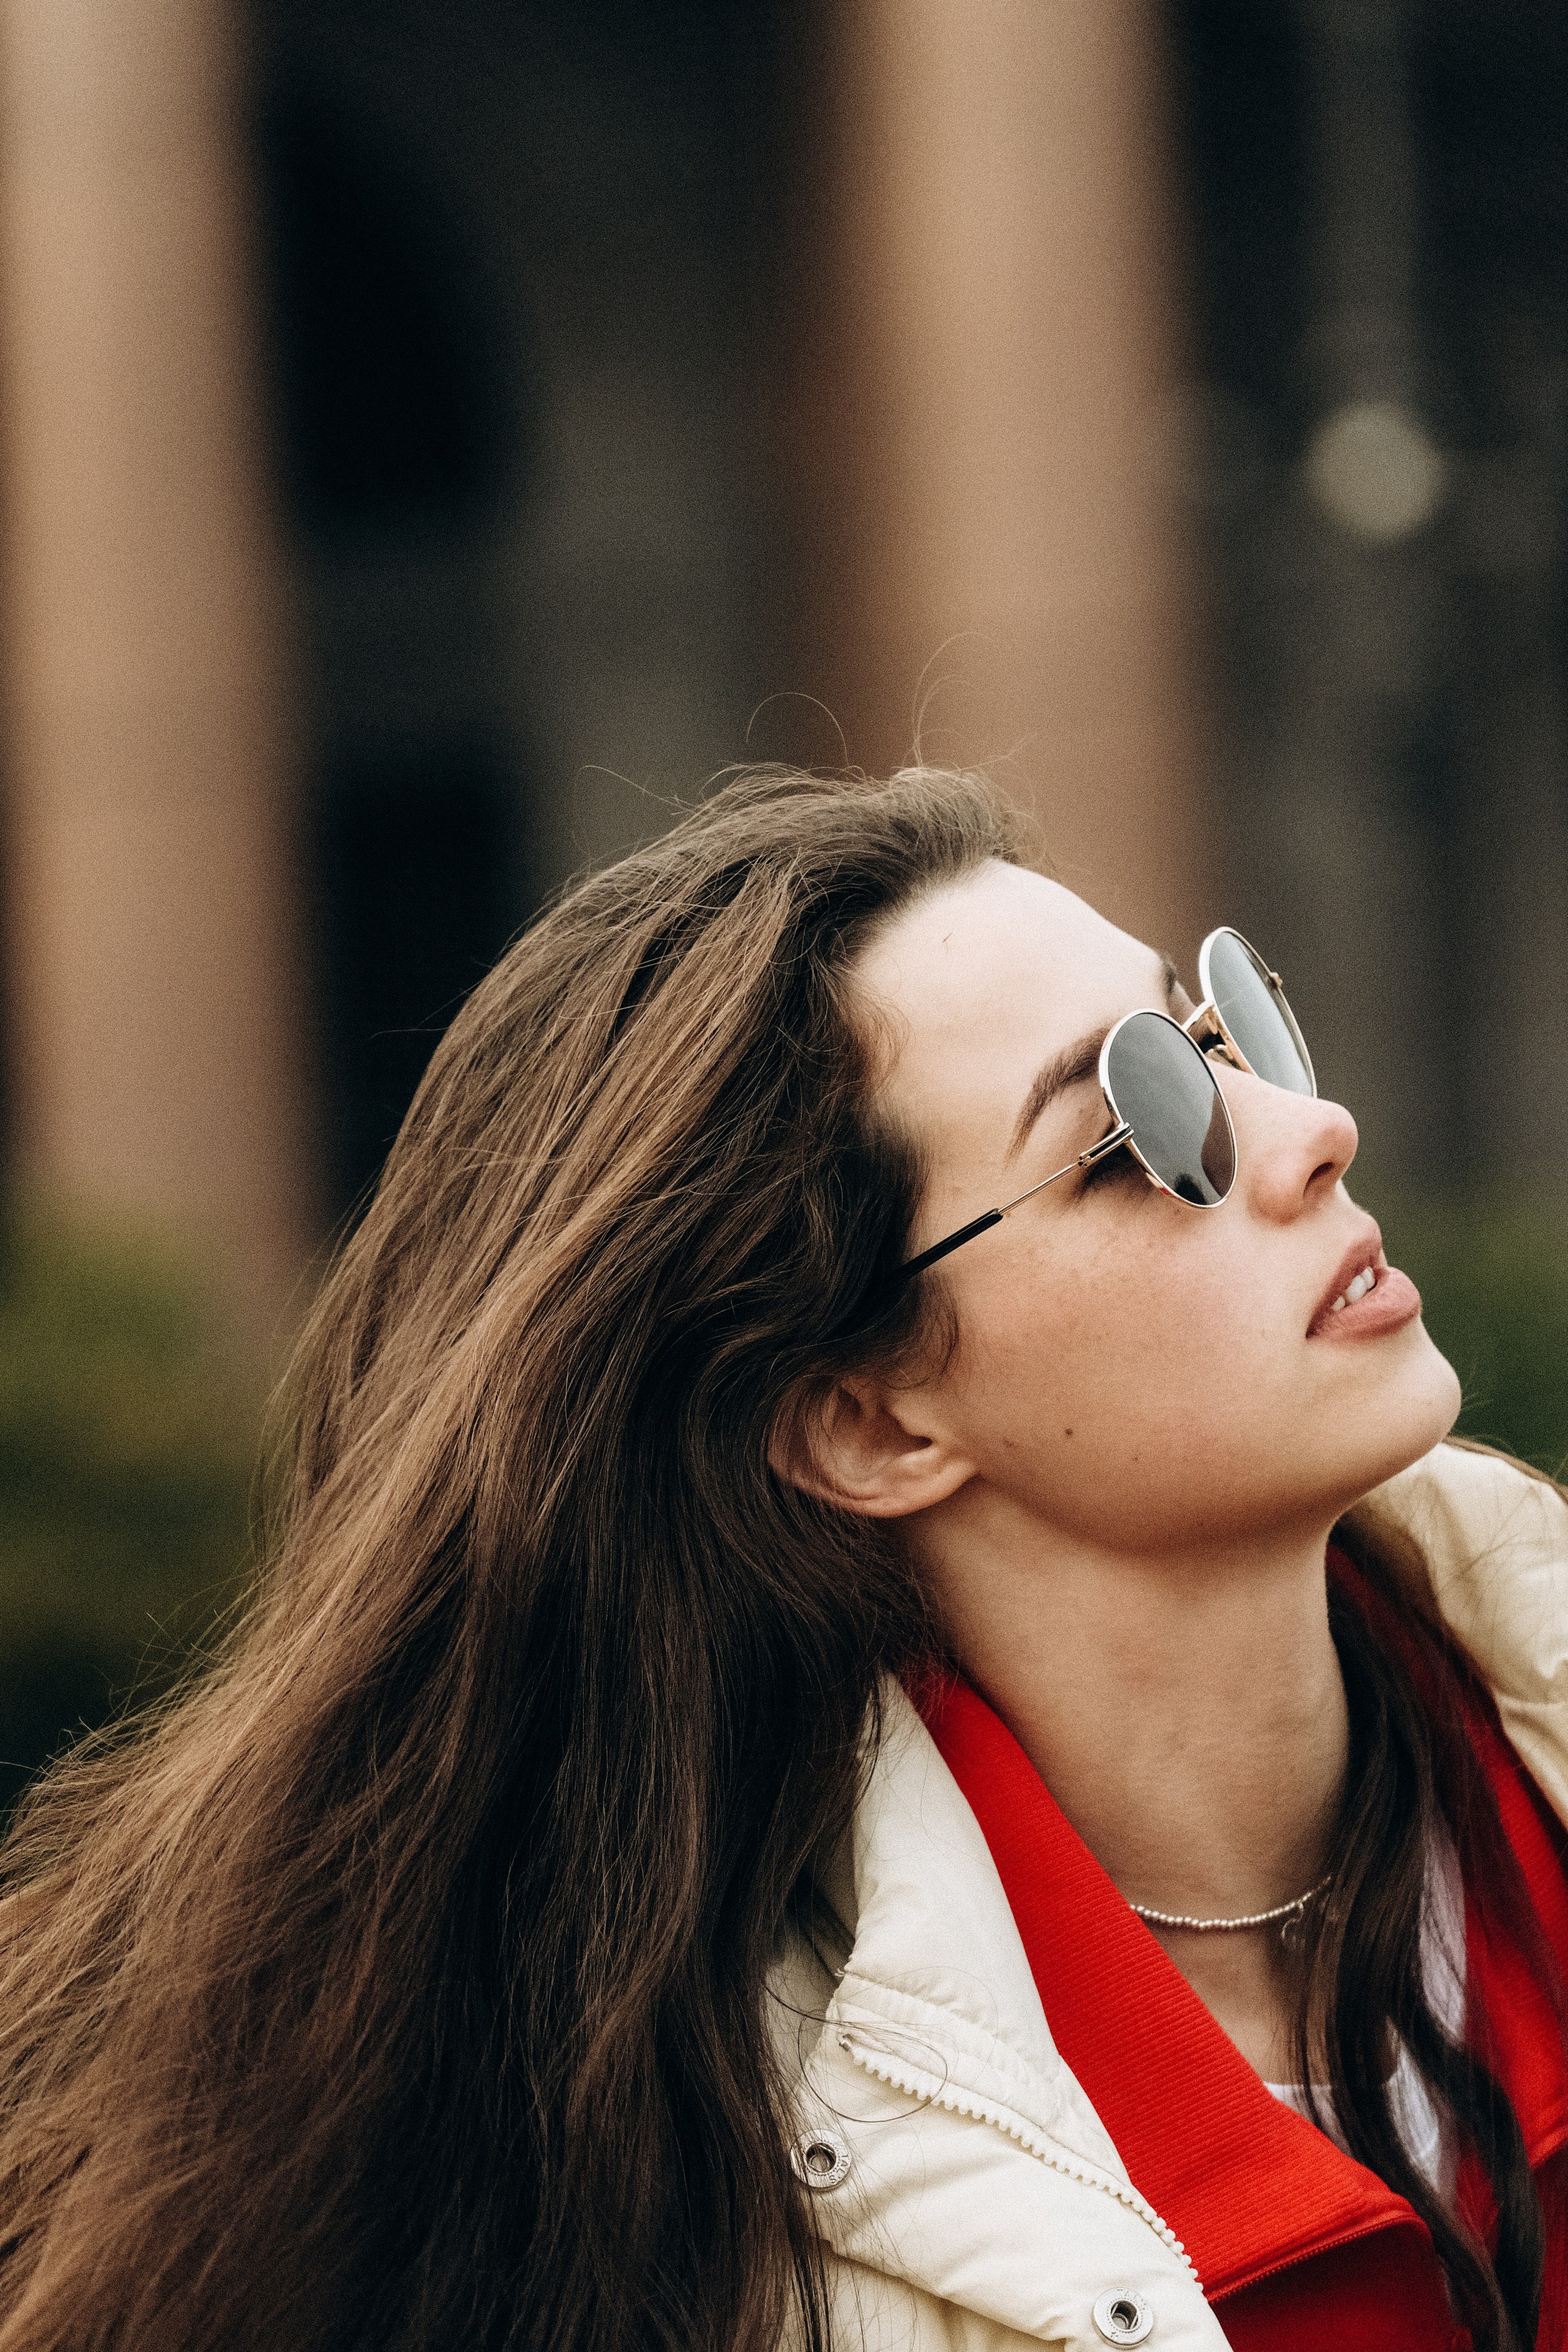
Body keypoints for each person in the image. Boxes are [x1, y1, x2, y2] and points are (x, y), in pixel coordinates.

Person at [0, 766, 1561, 2352]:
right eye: (1138, 1134)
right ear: (864, 1424)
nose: (1312, 1132)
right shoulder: (692, 2242)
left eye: (1235, 1032)